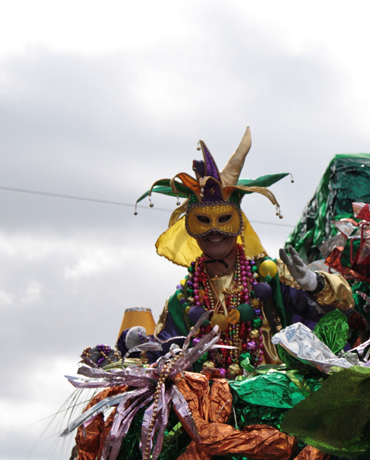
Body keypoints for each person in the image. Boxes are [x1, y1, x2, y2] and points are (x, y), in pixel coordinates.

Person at [127, 127, 353, 378]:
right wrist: (124, 354)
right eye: (203, 221)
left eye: (224, 220)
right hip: (210, 405)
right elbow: (163, 351)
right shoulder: (182, 300)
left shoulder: (270, 274)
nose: (215, 231)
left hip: (278, 397)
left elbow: (342, 306)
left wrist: (315, 283)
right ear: (191, 229)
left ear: (239, 224)